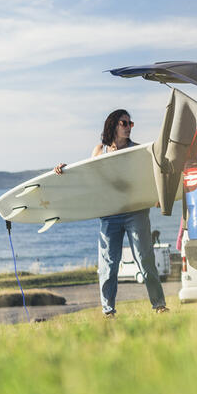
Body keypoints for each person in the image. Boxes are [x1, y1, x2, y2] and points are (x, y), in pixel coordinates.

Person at [56, 109, 168, 317]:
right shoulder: (99, 151)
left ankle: (159, 306)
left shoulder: (138, 150)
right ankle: (109, 312)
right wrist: (65, 170)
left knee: (145, 259)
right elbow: (88, 175)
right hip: (110, 213)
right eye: (124, 123)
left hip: (136, 210)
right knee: (108, 264)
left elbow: (151, 175)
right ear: (113, 125)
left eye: (130, 124)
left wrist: (158, 195)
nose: (128, 127)